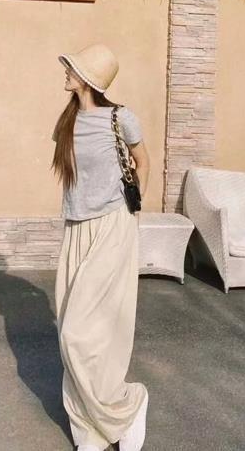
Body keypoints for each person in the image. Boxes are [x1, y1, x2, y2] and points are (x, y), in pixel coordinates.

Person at [51, 43, 150, 451]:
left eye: (73, 68)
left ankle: (128, 405)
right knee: (74, 332)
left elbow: (142, 162)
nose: (66, 72)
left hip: (112, 225)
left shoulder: (120, 118)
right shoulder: (68, 121)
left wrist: (132, 215)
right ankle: (88, 427)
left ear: (88, 79)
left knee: (83, 331)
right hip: (77, 229)